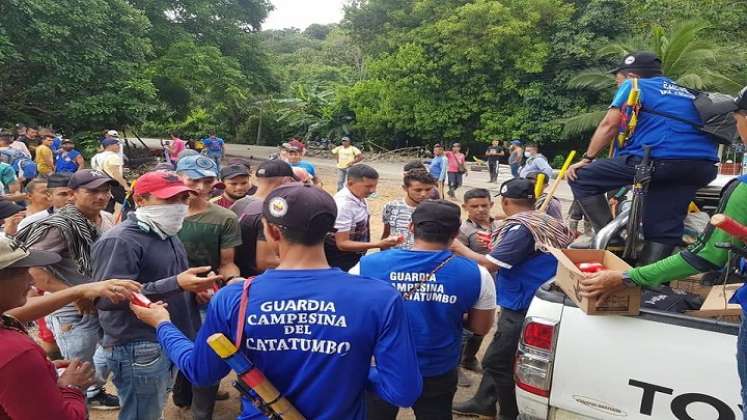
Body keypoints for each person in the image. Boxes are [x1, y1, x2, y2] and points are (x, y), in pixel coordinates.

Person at [129, 183, 423, 419]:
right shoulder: (379, 297)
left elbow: (201, 372)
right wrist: (353, 369)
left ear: (270, 231)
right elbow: (403, 392)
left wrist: (162, 324)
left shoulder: (235, 296)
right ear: (330, 231)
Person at [580, 103, 747, 418]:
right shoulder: (704, 162)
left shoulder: (744, 189)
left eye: (735, 119)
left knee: (584, 179)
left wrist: (627, 278)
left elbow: (704, 257)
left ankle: (611, 242)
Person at [91, 171, 222, 420]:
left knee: (154, 407)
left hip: (166, 336)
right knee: (142, 414)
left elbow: (169, 281)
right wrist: (177, 284)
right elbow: (105, 299)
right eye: (169, 200)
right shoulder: (121, 240)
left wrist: (194, 292)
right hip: (139, 344)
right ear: (140, 200)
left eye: (183, 199)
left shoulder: (167, 232)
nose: (179, 206)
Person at [567, 51, 718, 265]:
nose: (617, 84)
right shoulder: (689, 93)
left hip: (657, 161)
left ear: (630, 75)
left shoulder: (635, 86)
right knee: (662, 230)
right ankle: (648, 286)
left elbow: (609, 124)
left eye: (617, 78)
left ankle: (613, 236)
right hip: (700, 167)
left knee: (581, 177)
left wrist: (587, 158)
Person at [352, 200, 496, 420]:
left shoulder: (367, 266)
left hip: (382, 364)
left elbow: (354, 317)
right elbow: (480, 327)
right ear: (456, 233)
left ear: (411, 227)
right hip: (437, 367)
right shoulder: (478, 275)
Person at [451, 178, 575, 420]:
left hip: (523, 303)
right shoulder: (544, 219)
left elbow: (490, 264)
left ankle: (510, 414)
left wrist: (459, 248)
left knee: (496, 361)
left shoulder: (521, 228)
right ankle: (484, 403)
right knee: (504, 355)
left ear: (505, 201)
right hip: (533, 296)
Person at [0, 236, 144, 419]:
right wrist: (72, 387)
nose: (32, 281)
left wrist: (39, 373)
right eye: (22, 273)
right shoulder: (15, 353)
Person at [14, 170, 120, 409]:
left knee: (101, 359)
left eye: (105, 191)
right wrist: (75, 295)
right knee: (78, 369)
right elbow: (33, 269)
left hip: (98, 302)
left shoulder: (105, 218)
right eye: (93, 191)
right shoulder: (59, 226)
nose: (102, 196)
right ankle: (74, 406)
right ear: (72, 194)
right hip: (73, 310)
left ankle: (90, 395)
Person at [174, 155, 241, 418]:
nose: (201, 188)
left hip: (206, 295)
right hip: (169, 295)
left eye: (208, 181)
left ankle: (201, 407)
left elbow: (227, 263)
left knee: (208, 352)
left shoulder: (224, 218)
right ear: (178, 177)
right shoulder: (159, 213)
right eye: (194, 180)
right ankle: (183, 394)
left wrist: (230, 282)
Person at [457, 188, 502, 376]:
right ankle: (456, 364)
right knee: (465, 326)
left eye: (484, 205)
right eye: (474, 206)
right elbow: (460, 259)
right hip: (473, 284)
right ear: (465, 207)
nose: (480, 209)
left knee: (484, 325)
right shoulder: (463, 231)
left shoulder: (500, 226)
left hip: (496, 283)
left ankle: (469, 358)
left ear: (492, 205)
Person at [325, 164, 403, 270]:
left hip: (353, 255)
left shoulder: (358, 196)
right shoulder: (344, 205)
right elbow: (342, 244)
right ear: (350, 183)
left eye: (374, 186)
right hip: (340, 258)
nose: (373, 190)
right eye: (368, 186)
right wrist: (379, 244)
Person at [231, 160, 296, 277]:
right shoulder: (271, 210)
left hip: (237, 277)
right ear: (288, 181)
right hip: (255, 280)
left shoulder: (239, 203)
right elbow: (266, 262)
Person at [381, 168, 438, 250]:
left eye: (428, 189)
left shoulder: (436, 210)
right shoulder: (391, 206)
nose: (423, 194)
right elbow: (386, 234)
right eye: (418, 190)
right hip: (396, 257)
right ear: (405, 188)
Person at [91, 138, 129, 214]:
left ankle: (104, 224)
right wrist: (125, 186)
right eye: (117, 144)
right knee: (129, 205)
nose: (119, 146)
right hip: (113, 184)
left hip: (100, 184)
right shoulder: (113, 156)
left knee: (106, 207)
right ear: (110, 146)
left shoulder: (95, 157)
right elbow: (116, 174)